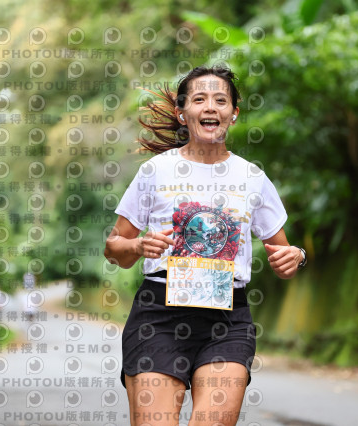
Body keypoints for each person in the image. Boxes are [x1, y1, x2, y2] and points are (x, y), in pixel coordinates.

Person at [104, 65, 307, 426]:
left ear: (233, 113)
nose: (210, 107)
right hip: (159, 316)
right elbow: (113, 247)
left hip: (227, 320)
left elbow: (285, 255)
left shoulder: (253, 178)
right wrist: (137, 247)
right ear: (183, 113)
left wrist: (298, 257)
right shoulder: (155, 172)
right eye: (199, 99)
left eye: (220, 100)